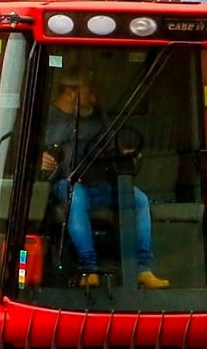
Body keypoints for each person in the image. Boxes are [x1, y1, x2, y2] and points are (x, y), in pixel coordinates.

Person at [39, 75, 167, 288]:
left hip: (98, 184)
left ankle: (142, 269)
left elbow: (113, 146)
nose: (94, 98)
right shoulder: (47, 119)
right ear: (71, 92)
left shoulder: (99, 117)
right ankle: (89, 269)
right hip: (64, 184)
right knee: (75, 195)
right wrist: (39, 161)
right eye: (89, 92)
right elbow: (24, 152)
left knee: (139, 199)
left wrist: (126, 154)